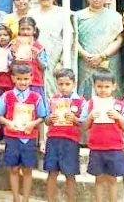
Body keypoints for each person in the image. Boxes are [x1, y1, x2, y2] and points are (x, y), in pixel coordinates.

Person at [0, 64, 47, 202]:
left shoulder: (36, 97)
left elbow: (42, 117)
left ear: (31, 78)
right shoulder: (7, 96)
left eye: (25, 79)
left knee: (27, 170)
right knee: (13, 169)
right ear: (13, 78)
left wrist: (33, 124)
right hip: (12, 138)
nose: (22, 82)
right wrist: (8, 123)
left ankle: (25, 198)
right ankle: (15, 198)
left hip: (29, 138)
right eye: (19, 79)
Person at [82, 69, 124, 202]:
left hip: (114, 148)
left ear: (114, 86)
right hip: (96, 148)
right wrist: (90, 117)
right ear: (94, 86)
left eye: (107, 87)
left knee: (112, 179)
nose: (103, 90)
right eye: (99, 86)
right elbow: (83, 127)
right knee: (98, 179)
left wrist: (118, 117)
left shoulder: (120, 106)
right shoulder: (89, 104)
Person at [74, 0, 124, 98]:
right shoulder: (78, 16)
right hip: (85, 61)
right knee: (85, 93)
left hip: (109, 61)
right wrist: (85, 55)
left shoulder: (114, 16)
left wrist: (102, 55)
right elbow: (73, 40)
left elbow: (119, 39)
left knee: (110, 90)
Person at [43, 69, 83, 202]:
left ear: (74, 83)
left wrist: (75, 119)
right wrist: (50, 118)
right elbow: (47, 121)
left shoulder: (80, 101)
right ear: (57, 84)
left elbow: (84, 124)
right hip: (53, 139)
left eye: (67, 84)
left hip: (70, 141)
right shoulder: (53, 100)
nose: (64, 87)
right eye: (61, 84)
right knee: (52, 172)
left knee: (70, 174)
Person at [29, 0, 73, 95]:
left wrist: (62, 61)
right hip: (35, 59)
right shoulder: (31, 13)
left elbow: (69, 38)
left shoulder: (62, 13)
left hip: (55, 58)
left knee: (54, 89)